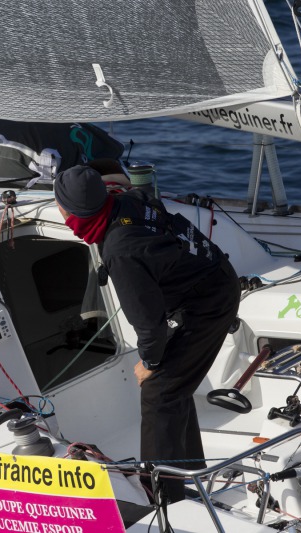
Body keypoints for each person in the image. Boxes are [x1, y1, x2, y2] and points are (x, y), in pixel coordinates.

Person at [54, 165, 241, 502]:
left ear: (68, 212)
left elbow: (149, 326)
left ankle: (163, 498)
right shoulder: (129, 199)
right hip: (211, 282)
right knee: (175, 386)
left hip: (208, 303)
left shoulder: (122, 251)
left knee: (159, 390)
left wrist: (150, 363)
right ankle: (189, 473)